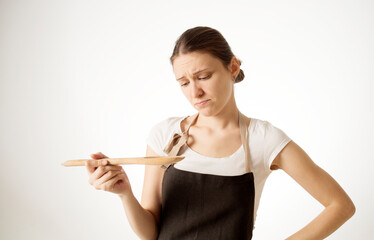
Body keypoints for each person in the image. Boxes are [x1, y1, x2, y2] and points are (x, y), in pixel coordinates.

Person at [85, 26, 355, 240]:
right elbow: (150, 233)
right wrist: (124, 194)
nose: (195, 93)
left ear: (233, 67)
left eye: (203, 77)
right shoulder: (164, 136)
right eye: (184, 83)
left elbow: (340, 205)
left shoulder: (263, 140)